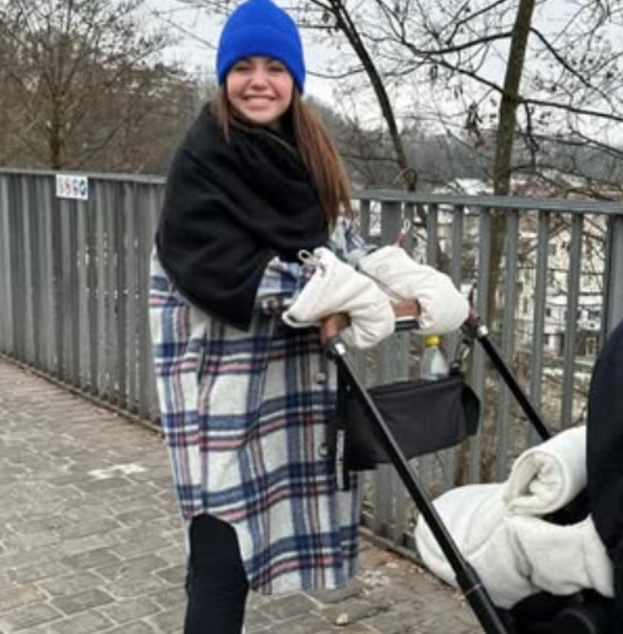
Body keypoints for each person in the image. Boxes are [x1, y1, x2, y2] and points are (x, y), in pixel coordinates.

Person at [148, 1, 469, 631]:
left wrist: (401, 277)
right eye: (243, 67)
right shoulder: (203, 160)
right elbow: (215, 268)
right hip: (219, 387)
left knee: (236, 551)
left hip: (287, 385)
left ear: (295, 79)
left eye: (274, 67)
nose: (259, 80)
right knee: (219, 549)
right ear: (224, 78)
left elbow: (337, 242)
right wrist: (334, 289)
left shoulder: (304, 152)